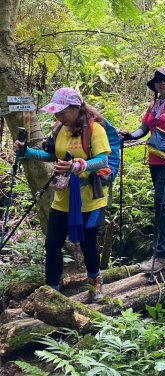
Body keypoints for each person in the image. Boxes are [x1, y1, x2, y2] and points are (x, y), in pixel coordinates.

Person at [13, 87, 111, 302]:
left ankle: (95, 282)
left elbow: (103, 160)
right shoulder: (59, 129)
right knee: (52, 244)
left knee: (88, 244)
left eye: (62, 112)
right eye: (56, 113)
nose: (58, 116)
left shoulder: (95, 130)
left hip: (90, 201)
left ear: (76, 108)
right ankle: (51, 290)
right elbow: (51, 156)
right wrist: (27, 152)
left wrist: (78, 164)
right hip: (62, 199)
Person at [120, 67, 165, 274]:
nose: (162, 83)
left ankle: (161, 257)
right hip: (155, 159)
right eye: (159, 80)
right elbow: (143, 129)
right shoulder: (154, 105)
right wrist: (128, 136)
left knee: (161, 204)